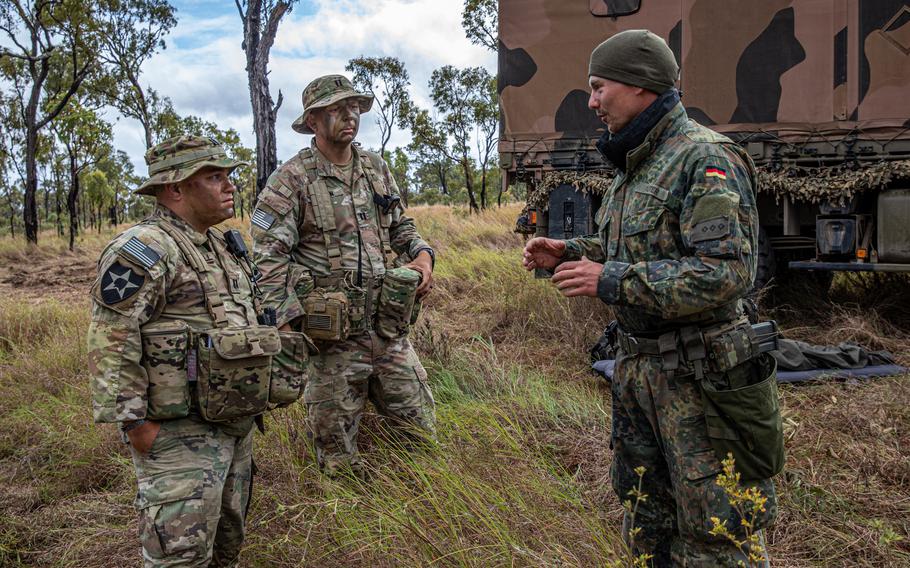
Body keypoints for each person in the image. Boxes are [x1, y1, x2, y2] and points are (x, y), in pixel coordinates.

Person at [523, 30, 779, 566]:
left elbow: (727, 272)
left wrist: (611, 279)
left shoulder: (704, 158)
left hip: (703, 382)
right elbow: (635, 245)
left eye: (598, 88)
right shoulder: (634, 166)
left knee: (718, 535)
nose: (590, 102)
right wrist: (568, 251)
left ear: (640, 85)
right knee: (647, 523)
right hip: (643, 377)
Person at [88, 135, 286, 567]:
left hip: (234, 426)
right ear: (176, 188)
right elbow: (112, 338)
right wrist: (136, 424)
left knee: (226, 546)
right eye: (214, 177)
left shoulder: (222, 245)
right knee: (180, 557)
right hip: (178, 435)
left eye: (228, 176)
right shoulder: (145, 249)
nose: (229, 186)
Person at [251, 74, 436, 478]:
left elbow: (400, 225)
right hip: (332, 344)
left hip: (388, 332)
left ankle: (424, 512)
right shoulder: (291, 180)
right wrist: (287, 326)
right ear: (313, 122)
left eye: (354, 108)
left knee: (422, 439)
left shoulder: (374, 168)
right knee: (338, 461)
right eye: (336, 110)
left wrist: (422, 255)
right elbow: (267, 259)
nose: (349, 116)